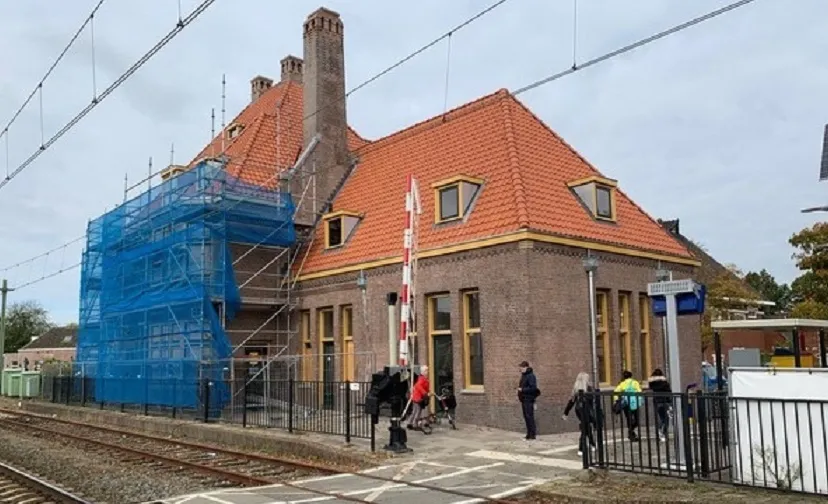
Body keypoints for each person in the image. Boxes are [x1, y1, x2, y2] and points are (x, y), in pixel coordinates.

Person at [562, 372, 596, 456]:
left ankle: (592, 444)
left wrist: (566, 413)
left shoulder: (576, 389)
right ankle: (582, 448)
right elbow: (592, 401)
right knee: (585, 429)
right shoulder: (588, 389)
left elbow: (571, 402)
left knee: (587, 427)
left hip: (579, 410)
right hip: (586, 411)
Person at [613, 370, 642, 441]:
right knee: (636, 419)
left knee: (629, 418)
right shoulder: (635, 383)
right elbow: (639, 391)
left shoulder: (622, 384)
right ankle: (631, 432)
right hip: (634, 403)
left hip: (626, 404)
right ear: (631, 376)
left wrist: (616, 400)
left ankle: (631, 433)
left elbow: (615, 392)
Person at [648, 368, 672, 443]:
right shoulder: (664, 383)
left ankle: (660, 430)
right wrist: (670, 401)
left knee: (661, 417)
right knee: (666, 418)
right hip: (665, 401)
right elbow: (669, 391)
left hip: (657, 401)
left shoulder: (652, 383)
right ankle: (663, 432)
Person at [517, 361, 540, 440]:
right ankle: (528, 434)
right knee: (526, 417)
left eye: (522, 368)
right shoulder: (524, 376)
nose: (521, 369)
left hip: (528, 399)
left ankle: (532, 435)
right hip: (524, 399)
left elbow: (533, 388)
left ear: (526, 367)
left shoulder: (531, 376)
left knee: (529, 416)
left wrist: (522, 389)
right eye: (520, 368)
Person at [407, 365, 430, 431]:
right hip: (418, 398)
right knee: (418, 411)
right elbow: (418, 385)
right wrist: (425, 393)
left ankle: (409, 423)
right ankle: (415, 425)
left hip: (416, 397)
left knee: (414, 411)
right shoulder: (422, 379)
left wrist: (428, 392)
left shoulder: (423, 378)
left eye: (427, 370)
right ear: (422, 372)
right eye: (426, 370)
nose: (427, 372)